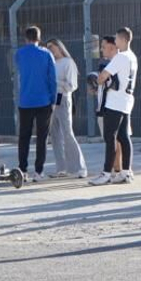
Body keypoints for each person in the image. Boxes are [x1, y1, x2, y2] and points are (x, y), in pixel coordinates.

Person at [92, 28, 138, 185]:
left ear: (124, 40)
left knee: (110, 137)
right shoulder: (133, 57)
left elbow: (103, 76)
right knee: (124, 137)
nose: (116, 42)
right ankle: (126, 171)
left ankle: (106, 173)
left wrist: (98, 80)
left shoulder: (120, 57)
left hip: (115, 102)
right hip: (126, 100)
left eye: (117, 39)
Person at [12, 25, 58, 183]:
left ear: (25, 38)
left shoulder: (19, 54)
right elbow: (53, 79)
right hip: (44, 100)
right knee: (42, 137)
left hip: (25, 100)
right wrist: (53, 99)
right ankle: (39, 171)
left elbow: (18, 71)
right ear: (39, 38)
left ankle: (22, 170)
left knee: (23, 136)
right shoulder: (47, 54)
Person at [44, 39, 87, 179]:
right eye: (48, 47)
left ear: (59, 46)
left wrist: (55, 82)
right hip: (51, 100)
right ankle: (61, 168)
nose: (50, 50)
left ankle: (80, 168)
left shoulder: (68, 62)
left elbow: (72, 85)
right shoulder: (51, 63)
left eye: (52, 46)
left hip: (63, 98)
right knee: (55, 136)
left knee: (68, 133)